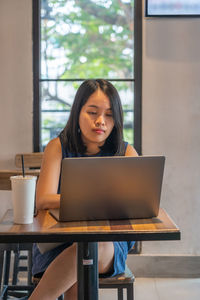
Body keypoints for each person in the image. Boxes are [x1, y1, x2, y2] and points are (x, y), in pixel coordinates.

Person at [29, 79, 138, 300]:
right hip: (60, 242)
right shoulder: (58, 147)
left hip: (109, 245)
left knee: (92, 248)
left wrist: (79, 200)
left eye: (109, 115)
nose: (101, 121)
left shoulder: (126, 152)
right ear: (77, 112)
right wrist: (95, 199)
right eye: (92, 112)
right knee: (81, 264)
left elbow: (139, 202)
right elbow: (42, 200)